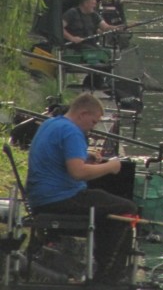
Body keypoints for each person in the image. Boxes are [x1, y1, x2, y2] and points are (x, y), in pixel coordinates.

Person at [26, 93, 138, 283]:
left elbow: (59, 158)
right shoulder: (72, 132)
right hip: (60, 198)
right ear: (83, 114)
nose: (93, 127)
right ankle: (108, 279)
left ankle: (98, 268)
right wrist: (111, 167)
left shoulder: (51, 123)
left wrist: (85, 156)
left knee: (106, 205)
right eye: (93, 122)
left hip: (39, 197)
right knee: (127, 209)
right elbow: (78, 173)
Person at [63, 0, 123, 89]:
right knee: (96, 54)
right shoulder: (71, 13)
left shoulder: (94, 15)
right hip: (75, 45)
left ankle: (97, 81)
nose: (95, 5)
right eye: (93, 2)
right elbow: (59, 28)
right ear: (85, 3)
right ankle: (95, 81)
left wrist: (118, 28)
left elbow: (106, 27)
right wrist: (72, 38)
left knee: (107, 53)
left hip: (91, 45)